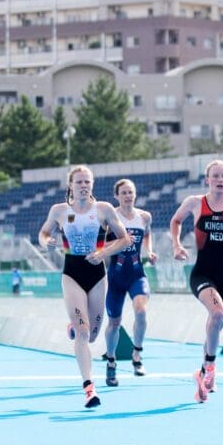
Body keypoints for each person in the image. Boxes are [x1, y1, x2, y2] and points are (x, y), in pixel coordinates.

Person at [39, 165, 131, 408]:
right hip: (72, 274)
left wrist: (103, 252)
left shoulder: (104, 210)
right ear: (70, 185)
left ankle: (74, 326)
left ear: (92, 184)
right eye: (79, 182)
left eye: (87, 182)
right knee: (82, 333)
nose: (83, 185)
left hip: (97, 275)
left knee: (91, 336)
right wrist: (47, 241)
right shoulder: (59, 211)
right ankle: (89, 387)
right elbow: (44, 232)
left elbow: (125, 239)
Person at [170, 159, 223, 403]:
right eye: (215, 176)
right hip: (202, 272)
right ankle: (210, 367)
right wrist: (176, 245)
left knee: (215, 326)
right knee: (216, 315)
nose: (219, 180)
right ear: (207, 179)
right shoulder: (195, 202)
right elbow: (176, 221)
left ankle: (203, 373)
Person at [102, 179, 158, 387]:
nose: (128, 196)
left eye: (131, 192)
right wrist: (121, 242)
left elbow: (148, 235)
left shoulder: (144, 217)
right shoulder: (110, 217)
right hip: (115, 276)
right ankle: (111, 361)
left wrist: (149, 251)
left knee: (141, 312)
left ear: (135, 195)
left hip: (136, 274)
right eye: (124, 193)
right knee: (114, 323)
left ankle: (137, 354)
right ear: (116, 196)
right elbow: (102, 244)